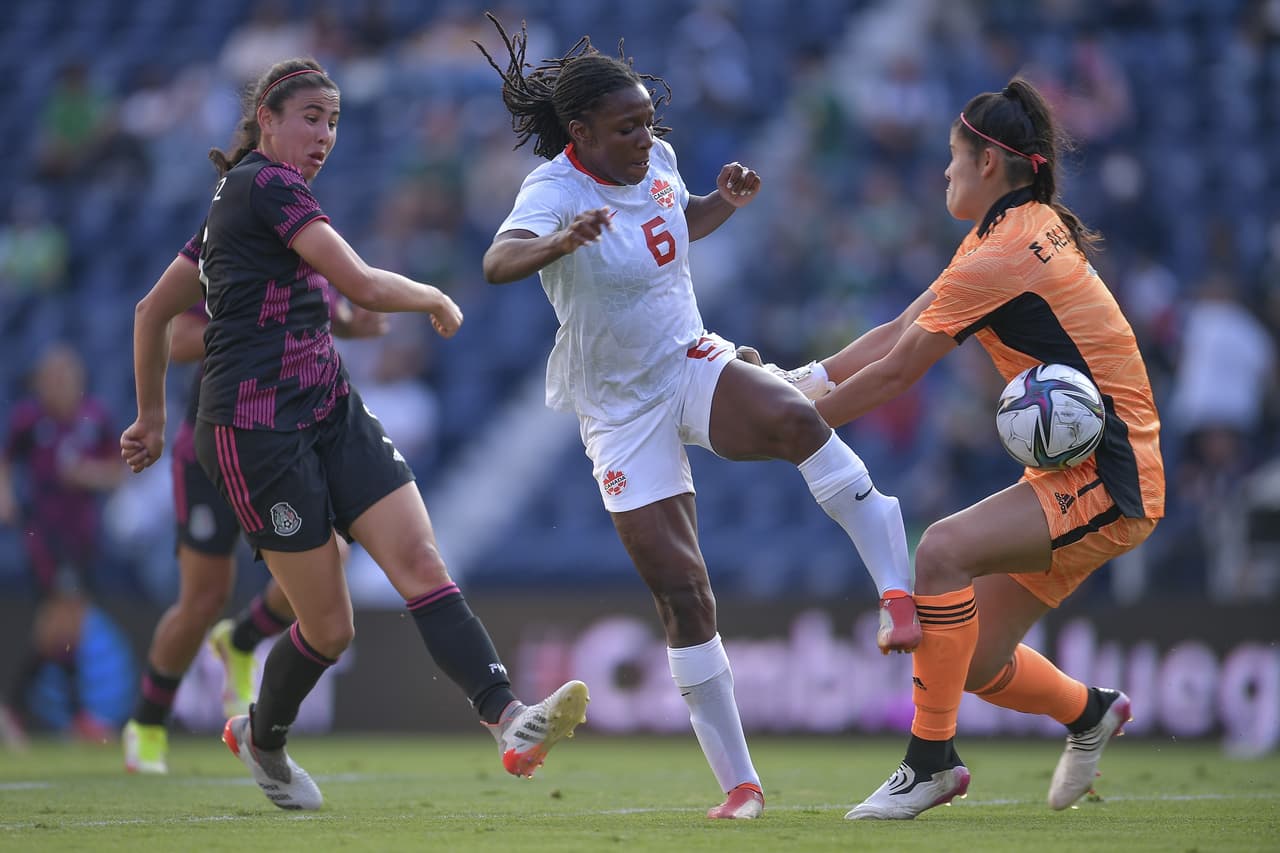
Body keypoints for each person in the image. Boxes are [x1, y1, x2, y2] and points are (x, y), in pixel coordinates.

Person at [474, 16, 916, 820]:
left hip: (685, 359)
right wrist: (560, 241)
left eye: (648, 120)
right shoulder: (553, 191)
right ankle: (741, 788)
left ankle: (897, 593)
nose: (646, 136)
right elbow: (497, 262)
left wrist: (723, 203)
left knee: (793, 419)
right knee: (683, 591)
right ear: (580, 133)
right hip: (615, 406)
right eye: (627, 126)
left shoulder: (662, 163)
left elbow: (673, 227)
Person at [120, 57, 588, 811]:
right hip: (255, 432)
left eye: (333, 121)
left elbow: (155, 312)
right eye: (311, 117)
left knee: (419, 557)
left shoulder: (244, 205)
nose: (325, 135)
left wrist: (149, 415)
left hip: (329, 407)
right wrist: (432, 295)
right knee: (329, 628)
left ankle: (509, 720)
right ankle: (262, 738)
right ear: (266, 119)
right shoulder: (264, 186)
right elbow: (362, 284)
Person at [766, 78, 1164, 819]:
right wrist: (802, 382)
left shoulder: (1003, 252)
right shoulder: (1007, 233)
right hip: (1083, 465)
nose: (943, 173)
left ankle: (930, 764)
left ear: (988, 164)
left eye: (953, 159)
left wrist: (794, 427)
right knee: (975, 661)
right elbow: (896, 331)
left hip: (1113, 471)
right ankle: (1089, 710)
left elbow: (897, 371)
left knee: (940, 550)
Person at [122, 290, 386, 775]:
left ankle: (242, 639)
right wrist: (257, 329)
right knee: (203, 598)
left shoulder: (313, 245)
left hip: (282, 450)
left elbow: (332, 310)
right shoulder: (232, 246)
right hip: (213, 444)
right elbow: (176, 338)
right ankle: (147, 723)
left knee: (335, 559)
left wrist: (353, 322)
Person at [0, 343, 127, 744]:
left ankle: (16, 709)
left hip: (83, 534)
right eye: (50, 380)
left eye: (64, 379)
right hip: (44, 534)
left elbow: (119, 471)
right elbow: (5, 460)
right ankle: (71, 716)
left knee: (60, 624)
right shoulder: (29, 419)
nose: (56, 387)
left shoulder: (95, 418)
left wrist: (89, 474)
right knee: (64, 617)